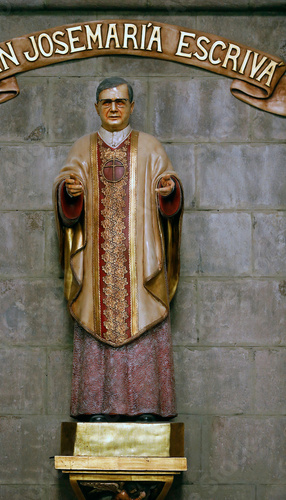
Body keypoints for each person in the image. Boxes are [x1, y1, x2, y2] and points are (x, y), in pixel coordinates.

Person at [53, 77, 183, 422]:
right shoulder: (82, 148)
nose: (113, 108)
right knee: (96, 319)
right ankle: (94, 407)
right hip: (97, 258)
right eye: (107, 102)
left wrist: (168, 193)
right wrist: (70, 193)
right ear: (96, 107)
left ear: (132, 106)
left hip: (140, 259)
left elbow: (170, 196)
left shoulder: (151, 147)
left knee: (142, 322)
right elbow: (66, 199)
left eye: (120, 102)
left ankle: (148, 407)